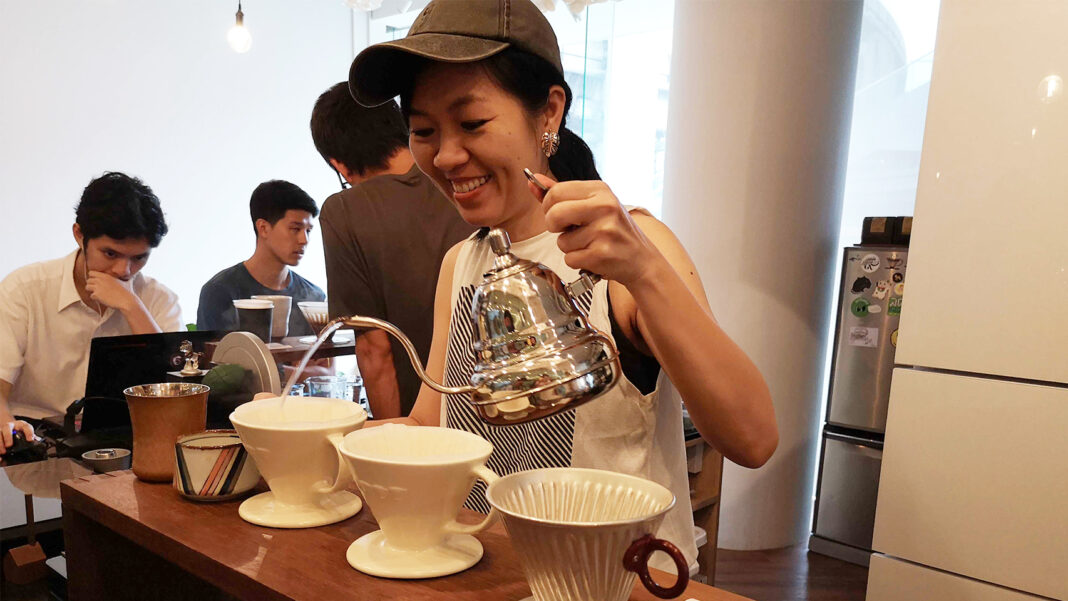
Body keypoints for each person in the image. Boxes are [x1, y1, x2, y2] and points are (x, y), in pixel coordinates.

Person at [347, 0, 780, 571]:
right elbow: (434, 425)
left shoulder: (630, 248)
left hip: (617, 579)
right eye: (424, 130)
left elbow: (752, 439)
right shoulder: (461, 262)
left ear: (549, 112)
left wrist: (645, 272)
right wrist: (343, 440)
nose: (447, 155)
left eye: (472, 123)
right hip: (487, 567)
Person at [310, 83, 472, 419]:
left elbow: (374, 349)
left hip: (425, 422)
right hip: (506, 411)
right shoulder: (463, 182)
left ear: (339, 164)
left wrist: (389, 440)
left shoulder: (345, 211)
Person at [0, 172, 182, 452]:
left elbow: (174, 393)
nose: (124, 270)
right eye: (110, 254)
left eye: (139, 257)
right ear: (79, 235)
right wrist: (6, 424)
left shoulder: (158, 299)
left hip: (128, 438)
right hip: (37, 436)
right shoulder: (24, 289)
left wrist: (133, 307)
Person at [197, 180, 326, 337]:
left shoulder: (314, 298)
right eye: (295, 229)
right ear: (263, 228)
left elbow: (325, 360)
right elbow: (214, 359)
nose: (304, 240)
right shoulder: (220, 292)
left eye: (308, 231)